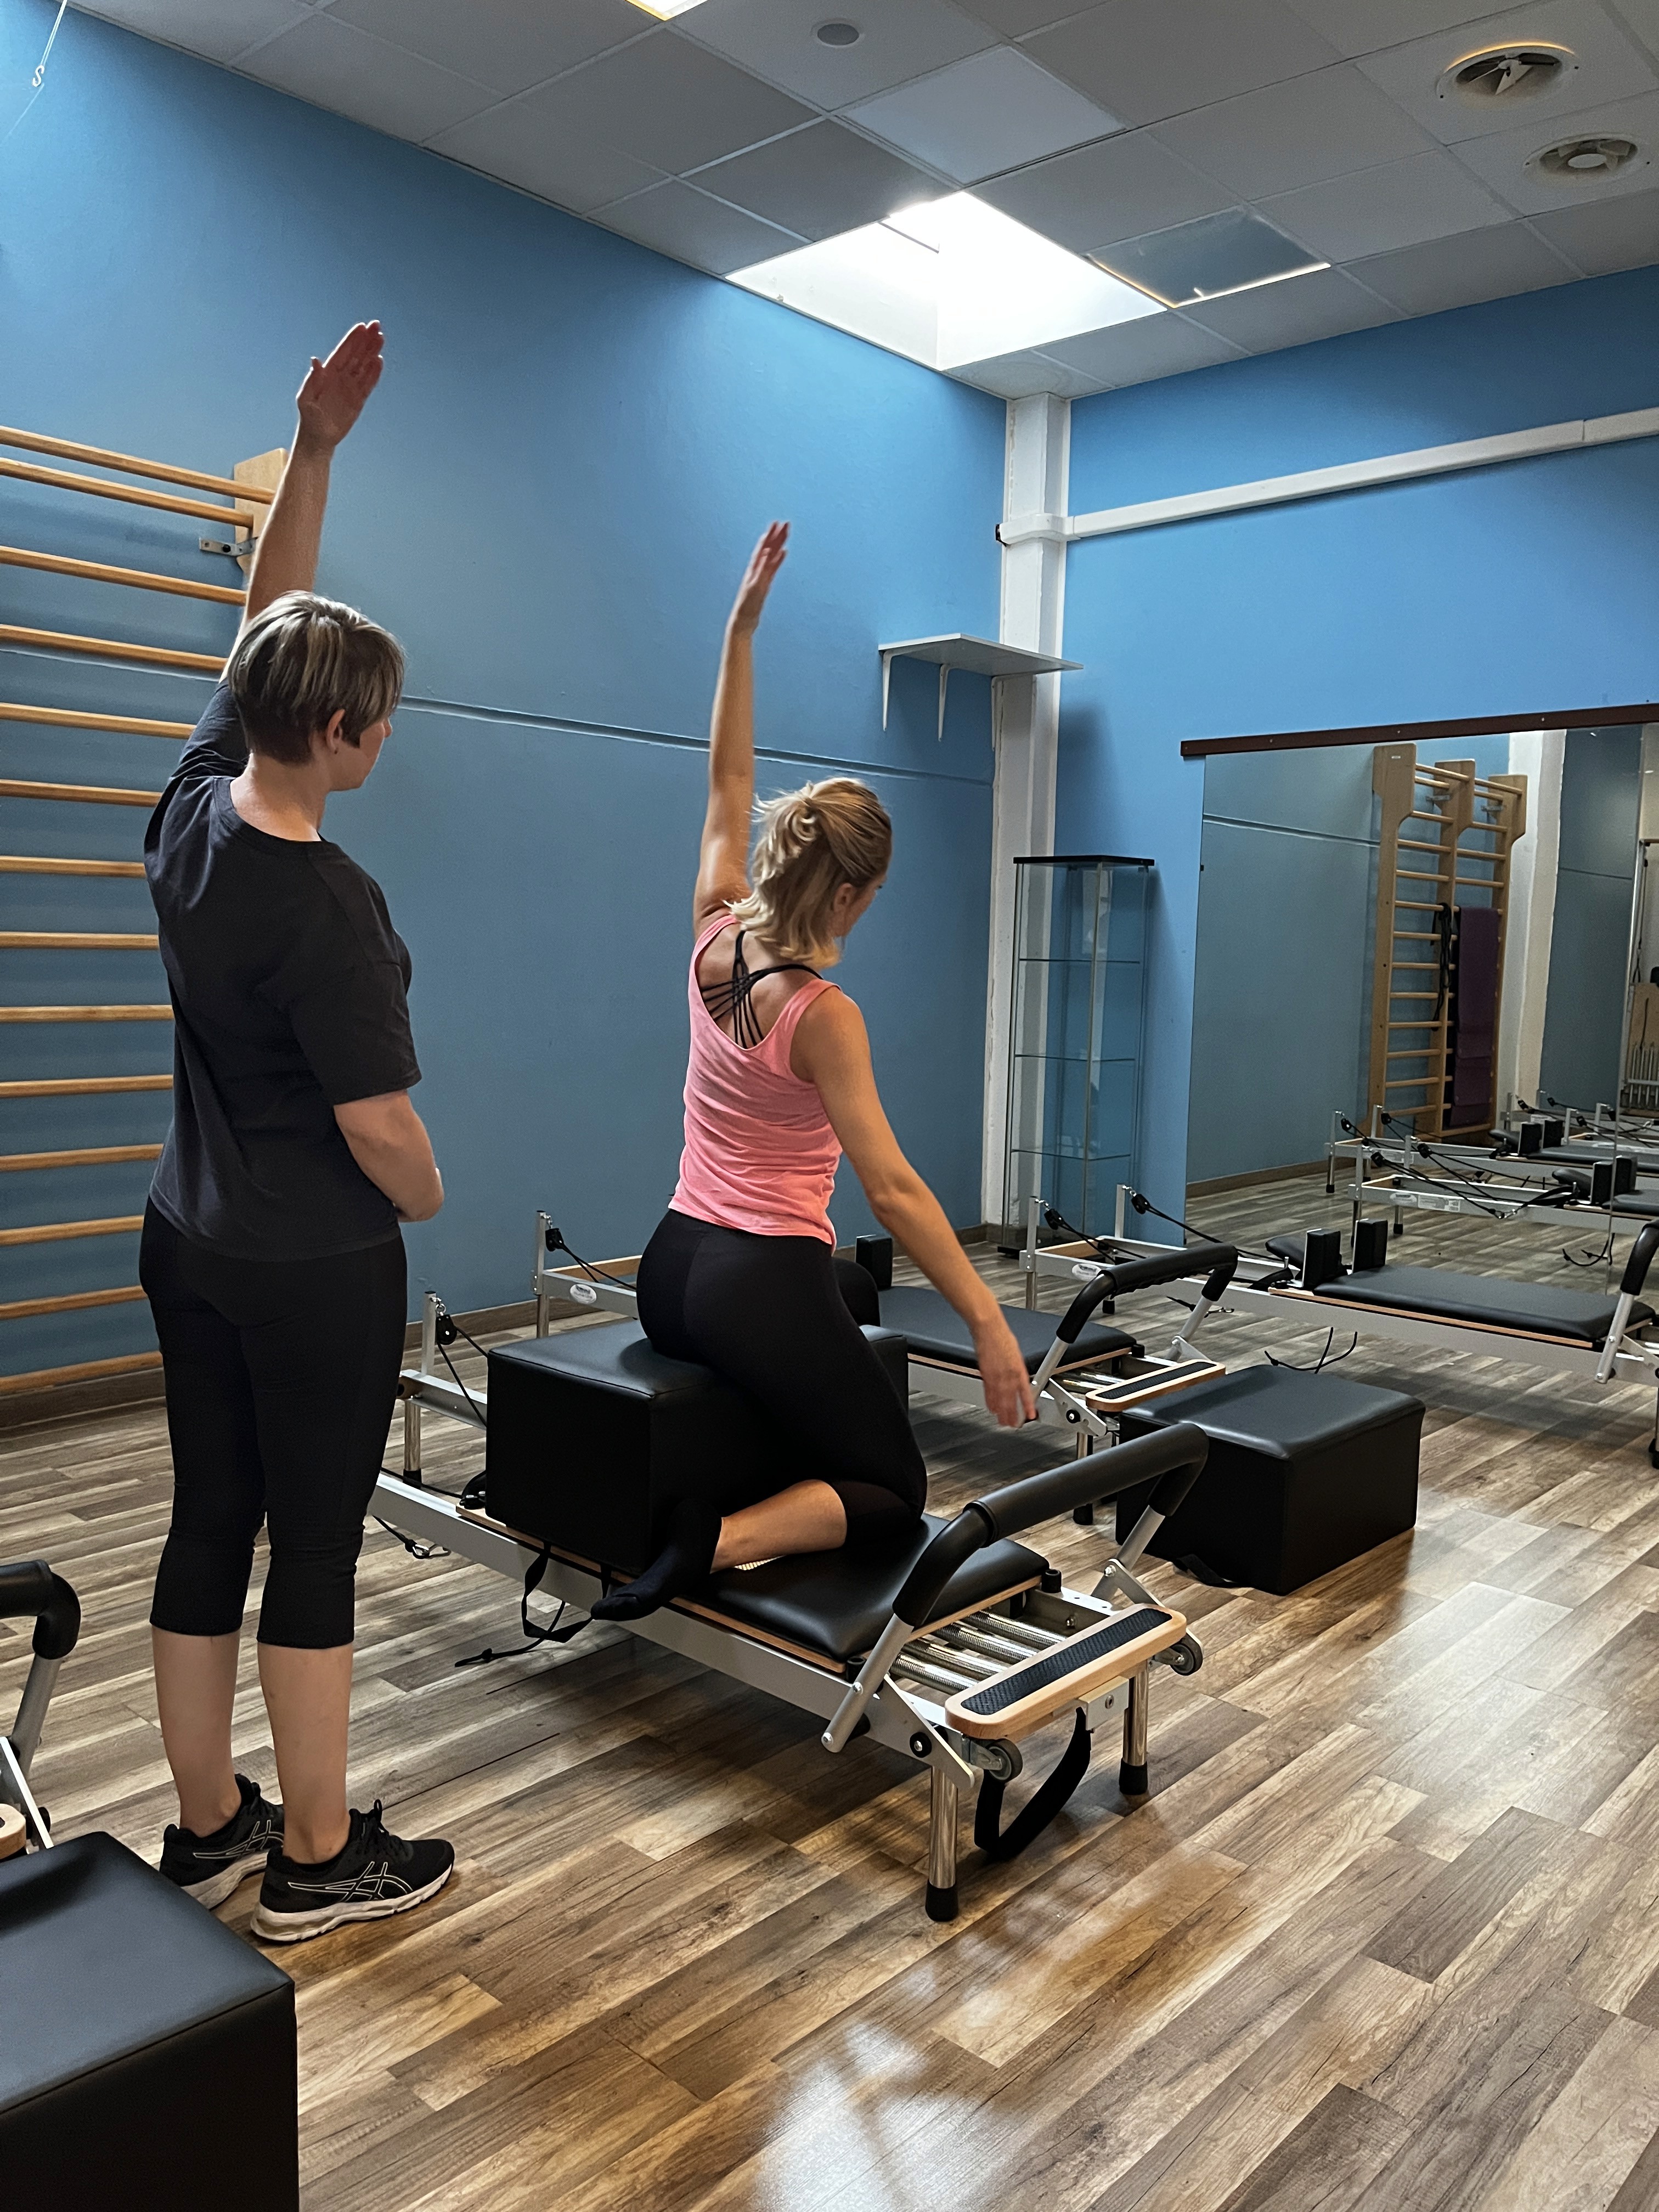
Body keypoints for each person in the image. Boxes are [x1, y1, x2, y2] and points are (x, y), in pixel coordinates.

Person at [143, 322, 454, 1943]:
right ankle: (321, 1859)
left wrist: (315, 453)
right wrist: (431, 1186)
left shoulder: (193, 809)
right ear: (332, 734)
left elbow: (263, 629)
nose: (385, 739)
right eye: (375, 721)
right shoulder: (333, 906)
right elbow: (380, 1129)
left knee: (210, 1517)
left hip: (187, 1239)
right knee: (313, 1545)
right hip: (315, 1263)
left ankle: (210, 1828)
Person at [594, 522, 1036, 1622]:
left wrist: (741, 629)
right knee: (893, 1488)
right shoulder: (824, 1017)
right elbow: (894, 1190)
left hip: (670, 1273)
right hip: (750, 1285)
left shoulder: (713, 927)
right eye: (874, 894)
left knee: (848, 1291)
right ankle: (716, 1539)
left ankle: (757, 1451)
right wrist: (988, 1322)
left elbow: (727, 775)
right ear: (848, 894)